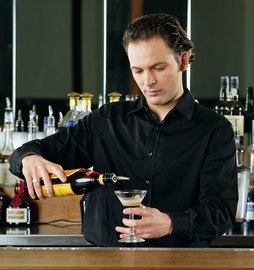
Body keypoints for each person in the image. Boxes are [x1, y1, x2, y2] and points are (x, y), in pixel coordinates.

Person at [9, 13, 237, 247]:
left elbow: (221, 213)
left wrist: (171, 223)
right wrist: (30, 159)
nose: (148, 81)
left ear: (183, 60)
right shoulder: (106, 120)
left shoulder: (214, 130)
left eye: (158, 68)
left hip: (179, 261)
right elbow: (31, 153)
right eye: (138, 70)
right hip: (103, 261)